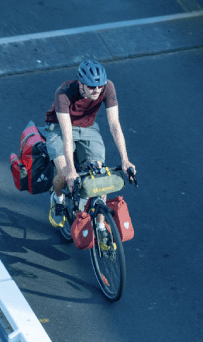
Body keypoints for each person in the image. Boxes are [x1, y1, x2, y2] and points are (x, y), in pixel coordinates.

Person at [44, 60, 136, 224]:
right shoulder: (64, 93)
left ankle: (100, 227)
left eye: (100, 86)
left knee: (99, 176)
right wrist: (71, 170)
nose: (97, 90)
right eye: (92, 87)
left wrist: (125, 159)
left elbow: (114, 124)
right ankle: (57, 199)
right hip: (60, 128)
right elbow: (67, 133)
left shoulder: (107, 87)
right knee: (64, 173)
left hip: (88, 128)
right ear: (81, 83)